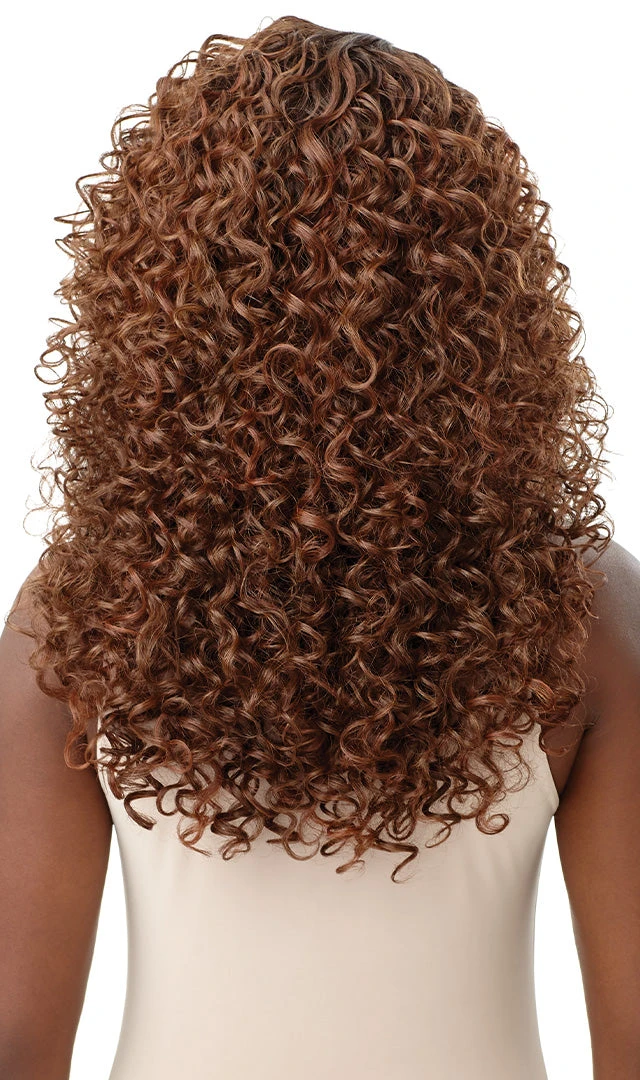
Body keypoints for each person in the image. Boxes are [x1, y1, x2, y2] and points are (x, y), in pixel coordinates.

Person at [1, 14, 638, 1080]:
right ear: (474, 300)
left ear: (164, 300)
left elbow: (14, 1037)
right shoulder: (589, 609)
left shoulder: (81, 601)